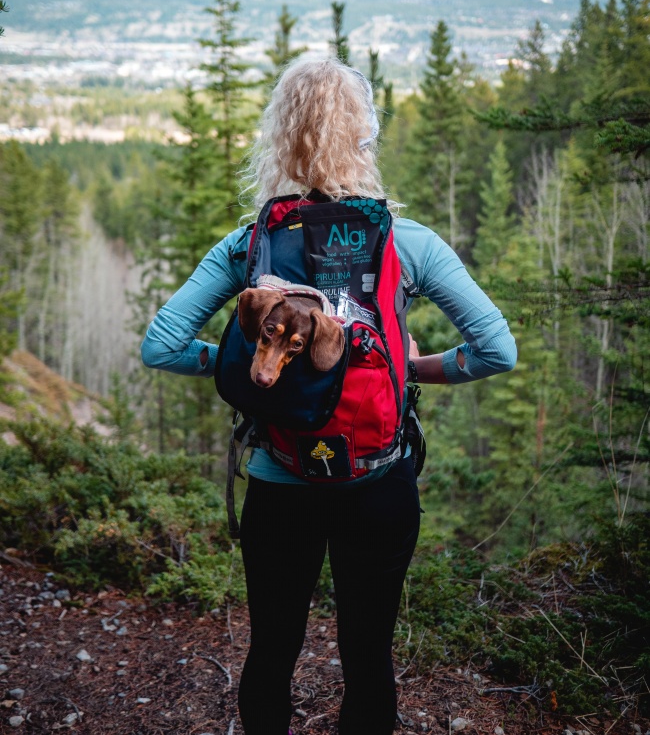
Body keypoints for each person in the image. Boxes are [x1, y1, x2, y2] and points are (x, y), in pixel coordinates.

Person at [141, 57, 517, 735]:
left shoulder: (251, 246)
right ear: (365, 136)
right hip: (378, 482)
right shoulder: (409, 243)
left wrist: (252, 365)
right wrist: (411, 369)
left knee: (273, 650)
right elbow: (496, 350)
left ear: (279, 136)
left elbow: (161, 345)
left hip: (279, 479)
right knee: (369, 656)